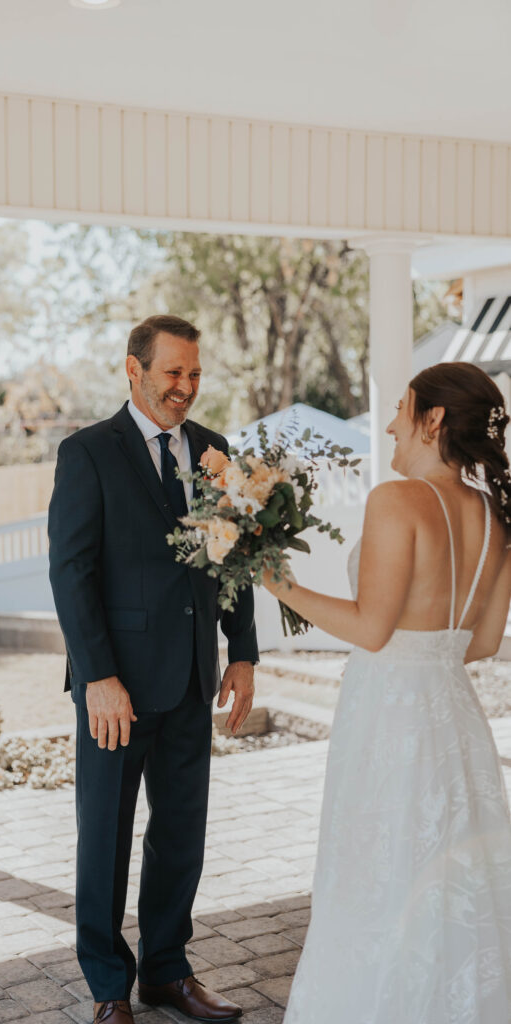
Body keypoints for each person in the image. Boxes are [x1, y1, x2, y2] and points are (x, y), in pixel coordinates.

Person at [264, 361, 511, 1024]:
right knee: (454, 887)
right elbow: (481, 643)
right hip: (455, 717)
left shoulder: (395, 500)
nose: (389, 424)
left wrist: (276, 582)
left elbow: (370, 629)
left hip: (389, 719)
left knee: (375, 881)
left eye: (401, 409)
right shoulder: (493, 515)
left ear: (433, 421)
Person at [48, 314, 259, 1024]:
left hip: (193, 676)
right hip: (117, 687)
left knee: (181, 833)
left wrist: (244, 651)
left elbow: (233, 556)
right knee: (103, 835)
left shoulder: (215, 451)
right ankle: (110, 985)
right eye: (172, 373)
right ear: (133, 370)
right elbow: (71, 572)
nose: (185, 387)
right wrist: (97, 675)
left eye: (194, 374)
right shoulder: (87, 453)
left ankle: (167, 972)